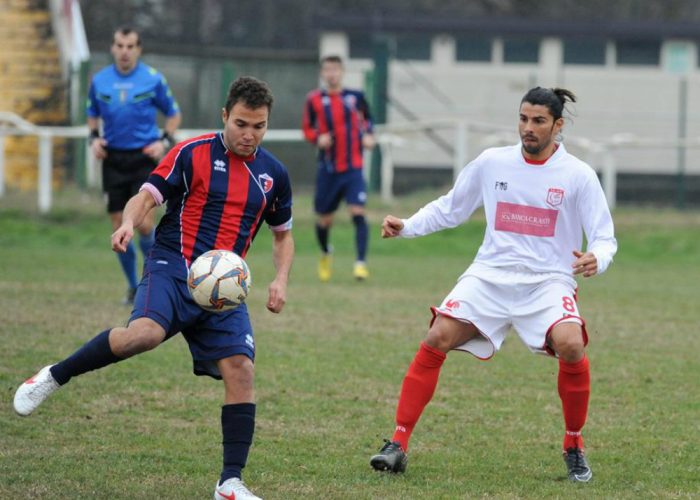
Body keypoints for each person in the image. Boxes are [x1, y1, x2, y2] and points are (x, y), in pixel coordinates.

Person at [14, 76, 294, 500]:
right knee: (141, 336)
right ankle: (54, 375)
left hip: (223, 288)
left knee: (241, 370)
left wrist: (280, 278)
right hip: (172, 265)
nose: (249, 135)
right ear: (224, 116)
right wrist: (128, 222)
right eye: (241, 124)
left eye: (259, 126)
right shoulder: (192, 154)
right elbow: (146, 196)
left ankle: (229, 483)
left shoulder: (273, 174)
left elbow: (282, 235)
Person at [369, 87, 617, 483]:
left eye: (538, 121)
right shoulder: (492, 163)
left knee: (572, 344)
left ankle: (574, 445)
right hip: (489, 276)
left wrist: (597, 257)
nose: (528, 128)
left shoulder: (578, 175)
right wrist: (407, 226)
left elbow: (605, 237)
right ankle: (397, 443)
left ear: (558, 125)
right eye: (523, 118)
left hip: (548, 282)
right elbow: (451, 207)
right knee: (437, 336)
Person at [87, 26, 182, 304]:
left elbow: (173, 114)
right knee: (118, 224)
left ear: (138, 49)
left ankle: (150, 281)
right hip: (113, 159)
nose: (125, 51)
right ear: (113, 48)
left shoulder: (153, 79)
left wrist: (164, 140)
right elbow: (91, 113)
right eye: (120, 45)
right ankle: (133, 286)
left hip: (143, 158)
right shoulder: (100, 80)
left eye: (130, 46)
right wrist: (93, 138)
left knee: (142, 223)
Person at [302, 55, 375, 281]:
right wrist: (318, 138)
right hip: (329, 169)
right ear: (323, 73)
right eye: (327, 70)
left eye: (335, 69)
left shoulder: (356, 97)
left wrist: (369, 136)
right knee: (324, 221)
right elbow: (307, 129)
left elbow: (368, 121)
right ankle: (325, 252)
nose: (331, 74)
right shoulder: (314, 99)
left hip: (353, 168)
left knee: (358, 212)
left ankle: (360, 263)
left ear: (342, 72)